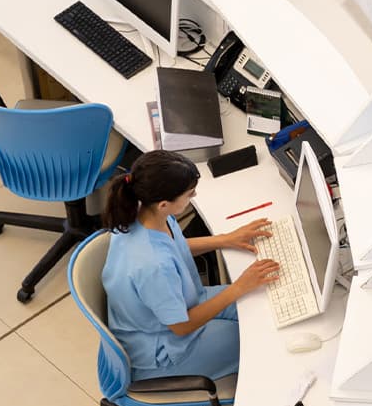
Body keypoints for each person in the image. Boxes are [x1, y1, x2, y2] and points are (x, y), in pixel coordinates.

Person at [99, 150, 280, 382]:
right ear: (164, 203)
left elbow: (173, 246)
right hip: (166, 347)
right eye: (190, 194)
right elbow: (182, 326)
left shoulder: (143, 214)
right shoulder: (153, 265)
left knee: (263, 304)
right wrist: (239, 287)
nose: (194, 195)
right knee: (260, 338)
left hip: (180, 306)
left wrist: (226, 239)